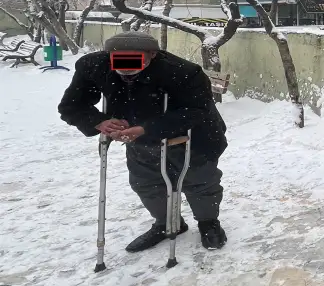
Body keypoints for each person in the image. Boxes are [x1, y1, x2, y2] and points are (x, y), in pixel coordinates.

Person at [58, 31, 228, 251]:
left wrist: (146, 129)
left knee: (200, 182)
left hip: (191, 137)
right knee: (146, 183)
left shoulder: (182, 72)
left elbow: (197, 110)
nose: (126, 68)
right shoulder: (93, 66)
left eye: (135, 60)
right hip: (139, 140)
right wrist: (100, 122)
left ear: (153, 54)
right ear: (108, 55)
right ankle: (167, 223)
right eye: (118, 60)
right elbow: (71, 106)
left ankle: (208, 223)